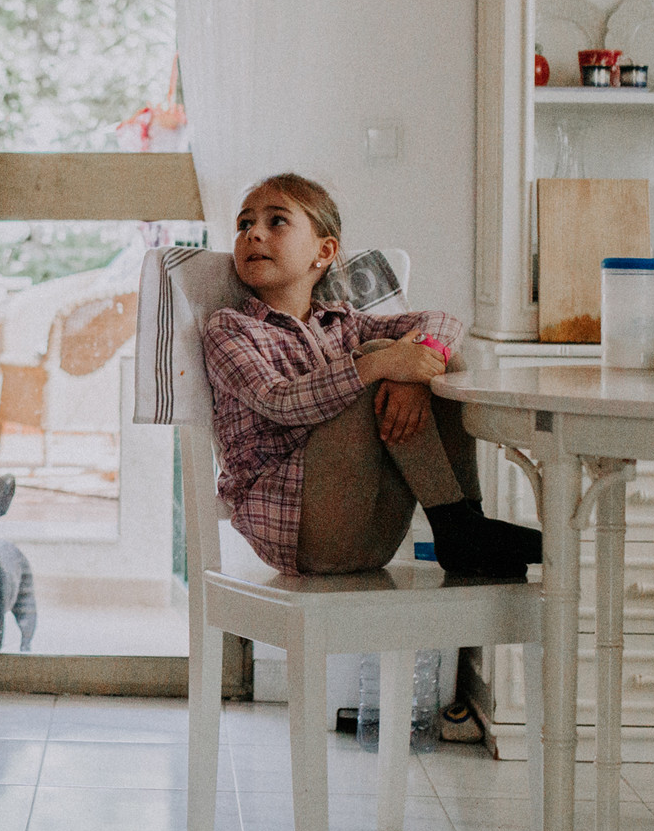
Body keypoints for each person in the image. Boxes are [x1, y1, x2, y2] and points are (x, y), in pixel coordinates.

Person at [201, 173, 542, 578]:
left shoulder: (344, 322)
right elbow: (281, 402)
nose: (253, 233)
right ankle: (459, 526)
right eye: (244, 224)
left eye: (276, 221)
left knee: (442, 361)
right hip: (300, 532)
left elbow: (444, 322)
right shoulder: (231, 328)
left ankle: (463, 520)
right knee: (384, 356)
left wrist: (408, 376)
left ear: (324, 251)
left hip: (372, 531)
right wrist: (381, 365)